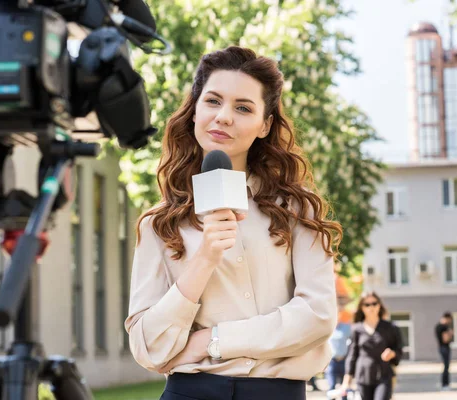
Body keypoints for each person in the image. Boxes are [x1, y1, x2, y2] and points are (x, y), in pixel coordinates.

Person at [124, 46, 343, 400]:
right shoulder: (158, 223)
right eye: (213, 101)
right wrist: (205, 257)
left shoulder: (297, 208)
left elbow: (317, 316)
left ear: (264, 125)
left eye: (243, 107)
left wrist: (212, 341)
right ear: (195, 110)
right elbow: (149, 347)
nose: (224, 116)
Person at [339, 292, 403, 400]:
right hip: (363, 376)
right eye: (367, 304)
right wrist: (346, 382)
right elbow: (352, 356)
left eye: (374, 303)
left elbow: (399, 350)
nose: (371, 307)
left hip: (384, 375)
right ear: (362, 308)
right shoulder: (356, 329)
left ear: (379, 305)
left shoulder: (390, 328)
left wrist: (392, 353)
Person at [325, 273, 352, 400]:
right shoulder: (329, 318)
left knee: (344, 390)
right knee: (331, 389)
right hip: (331, 361)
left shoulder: (348, 318)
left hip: (344, 359)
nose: (340, 305)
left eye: (341, 301)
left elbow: (351, 340)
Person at [435, 312, 453, 390]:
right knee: (446, 366)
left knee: (445, 366)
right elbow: (445, 339)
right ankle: (445, 384)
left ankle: (444, 384)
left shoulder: (437, 326)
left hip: (441, 347)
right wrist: (451, 334)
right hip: (445, 348)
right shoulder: (444, 327)